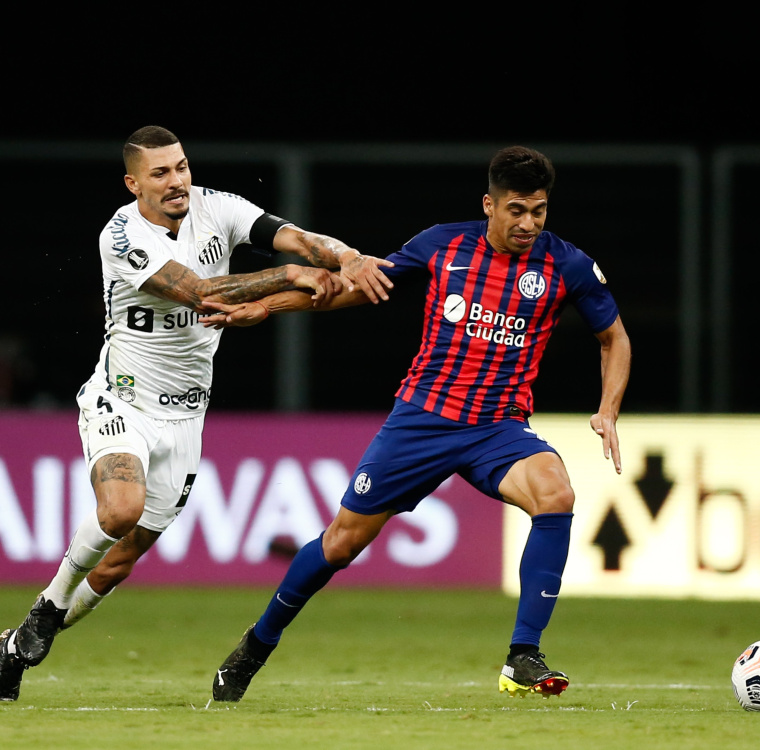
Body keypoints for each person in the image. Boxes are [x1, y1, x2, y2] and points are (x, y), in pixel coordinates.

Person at [203, 145, 631, 703]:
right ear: (490, 205)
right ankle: (256, 645)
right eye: (518, 210)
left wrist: (608, 409)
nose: (529, 223)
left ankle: (523, 655)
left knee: (555, 493)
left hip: (497, 428)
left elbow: (614, 337)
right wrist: (271, 306)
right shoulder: (441, 244)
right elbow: (359, 288)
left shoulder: (566, 265)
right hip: (422, 421)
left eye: (540, 211)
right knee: (340, 543)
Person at [0, 125, 394, 702]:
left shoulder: (222, 208)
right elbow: (202, 293)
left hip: (186, 417)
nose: (177, 180)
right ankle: (43, 611)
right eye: (160, 173)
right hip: (122, 399)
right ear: (134, 183)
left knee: (116, 566)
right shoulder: (122, 234)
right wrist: (288, 276)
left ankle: (12, 652)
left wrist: (350, 258)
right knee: (120, 508)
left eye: (181, 166)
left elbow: (296, 238)